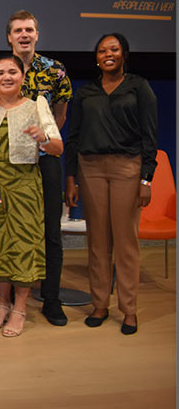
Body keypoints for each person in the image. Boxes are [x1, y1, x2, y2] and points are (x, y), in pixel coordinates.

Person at [0, 10, 72, 326]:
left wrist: (43, 141)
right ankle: (5, 297)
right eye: (18, 30)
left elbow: (59, 115)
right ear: (9, 36)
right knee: (7, 230)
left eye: (29, 30)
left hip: (44, 159)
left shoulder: (55, 70)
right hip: (6, 165)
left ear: (36, 34)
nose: (24, 34)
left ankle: (50, 298)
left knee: (48, 231)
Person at [65, 33, 157, 335]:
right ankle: (100, 304)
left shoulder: (139, 88)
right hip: (90, 169)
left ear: (124, 54)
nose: (108, 54)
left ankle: (128, 310)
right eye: (103, 50)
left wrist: (146, 177)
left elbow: (149, 137)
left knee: (126, 243)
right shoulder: (85, 92)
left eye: (114, 49)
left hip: (127, 169)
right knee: (98, 242)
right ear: (96, 57)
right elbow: (74, 138)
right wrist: (71, 178)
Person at [0, 55, 63, 337]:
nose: (6, 77)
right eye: (0, 73)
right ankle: (2, 305)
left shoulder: (37, 107)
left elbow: (57, 147)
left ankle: (19, 308)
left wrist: (43, 139)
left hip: (24, 187)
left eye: (12, 72)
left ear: (22, 77)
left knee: (22, 247)